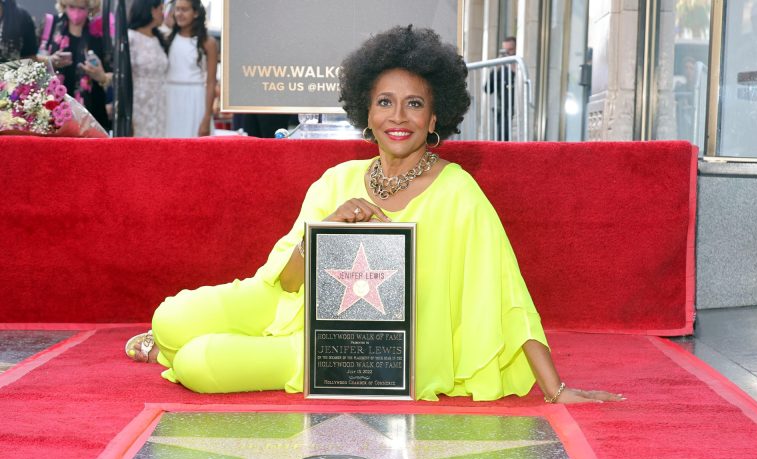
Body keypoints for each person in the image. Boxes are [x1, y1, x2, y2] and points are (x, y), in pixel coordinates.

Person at [125, 26, 623, 405]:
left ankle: (176, 353)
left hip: (370, 353)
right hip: (292, 307)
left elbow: (511, 298)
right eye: (385, 102)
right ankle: (169, 341)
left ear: (435, 118)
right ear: (366, 112)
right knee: (170, 316)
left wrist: (556, 390)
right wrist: (326, 232)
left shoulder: (459, 193)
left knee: (198, 362)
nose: (398, 117)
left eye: (414, 105)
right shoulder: (336, 179)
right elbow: (289, 284)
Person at [40, 0, 110, 131]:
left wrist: (102, 77)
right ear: (64, 5)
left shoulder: (99, 33)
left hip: (92, 112)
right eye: (72, 7)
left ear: (90, 8)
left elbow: (114, 73)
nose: (76, 13)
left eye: (81, 8)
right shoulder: (50, 26)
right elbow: (33, 59)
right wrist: (50, 61)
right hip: (53, 110)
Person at [164, 0, 217, 137]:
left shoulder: (208, 43)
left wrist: (206, 117)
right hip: (169, 98)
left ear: (196, 13)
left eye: (185, 10)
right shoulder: (167, 39)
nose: (180, 14)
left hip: (196, 100)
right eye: (177, 10)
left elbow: (211, 83)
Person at [127, 0, 168, 137]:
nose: (163, 14)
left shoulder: (158, 39)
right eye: (161, 9)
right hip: (139, 102)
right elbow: (126, 76)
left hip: (160, 102)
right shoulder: (130, 37)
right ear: (151, 10)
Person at [484, 36, 516, 141]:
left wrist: (512, 66)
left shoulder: (518, 65)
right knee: (501, 141)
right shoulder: (500, 70)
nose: (507, 54)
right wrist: (496, 67)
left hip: (515, 112)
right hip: (502, 112)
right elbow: (487, 89)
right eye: (504, 51)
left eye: (510, 50)